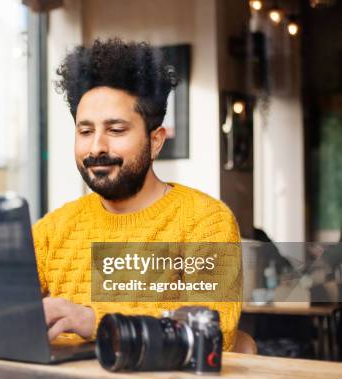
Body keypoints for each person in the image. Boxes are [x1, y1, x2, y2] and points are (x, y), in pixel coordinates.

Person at [34, 38, 242, 351]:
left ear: (156, 141)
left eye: (116, 130)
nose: (96, 147)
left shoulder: (206, 221)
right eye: (85, 131)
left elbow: (216, 331)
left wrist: (95, 322)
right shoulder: (53, 229)